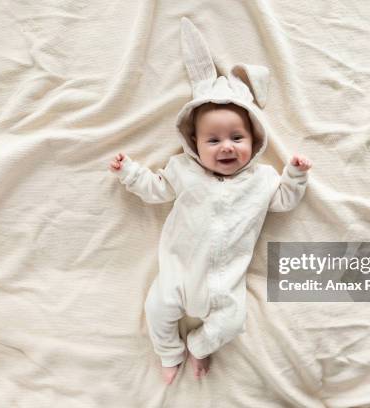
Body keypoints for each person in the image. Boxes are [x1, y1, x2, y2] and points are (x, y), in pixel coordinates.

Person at [109, 18, 311, 385]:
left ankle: (199, 347)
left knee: (232, 323)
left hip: (225, 283)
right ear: (194, 145)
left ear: (254, 140)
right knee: (157, 310)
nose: (227, 147)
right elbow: (157, 189)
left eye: (237, 137)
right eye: (213, 141)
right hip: (178, 274)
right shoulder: (183, 171)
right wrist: (131, 173)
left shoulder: (262, 179)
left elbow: (283, 201)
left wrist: (295, 175)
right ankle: (169, 353)